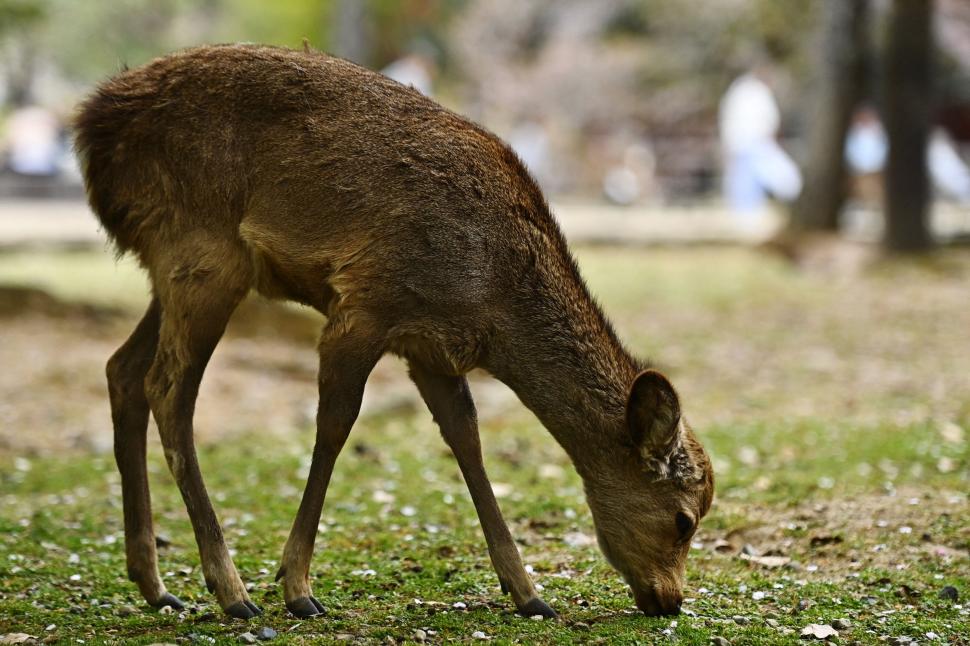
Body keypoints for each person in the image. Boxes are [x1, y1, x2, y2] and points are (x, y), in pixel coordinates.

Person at [718, 67, 802, 216]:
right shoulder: (752, 92)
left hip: (747, 143)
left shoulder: (744, 91)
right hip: (753, 143)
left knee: (748, 182)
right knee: (751, 183)